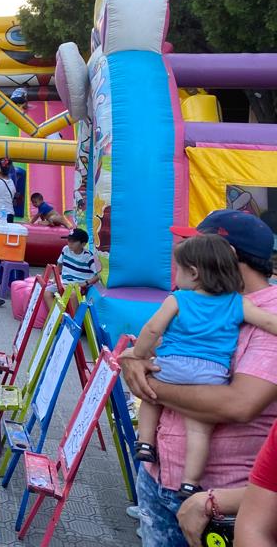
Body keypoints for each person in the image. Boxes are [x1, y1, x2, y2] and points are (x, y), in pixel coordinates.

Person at [121, 209, 277, 545]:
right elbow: (158, 344)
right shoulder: (203, 298)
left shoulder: (267, 313)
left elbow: (238, 405)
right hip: (159, 475)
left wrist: (149, 384)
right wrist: (132, 359)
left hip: (218, 498)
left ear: (226, 254)